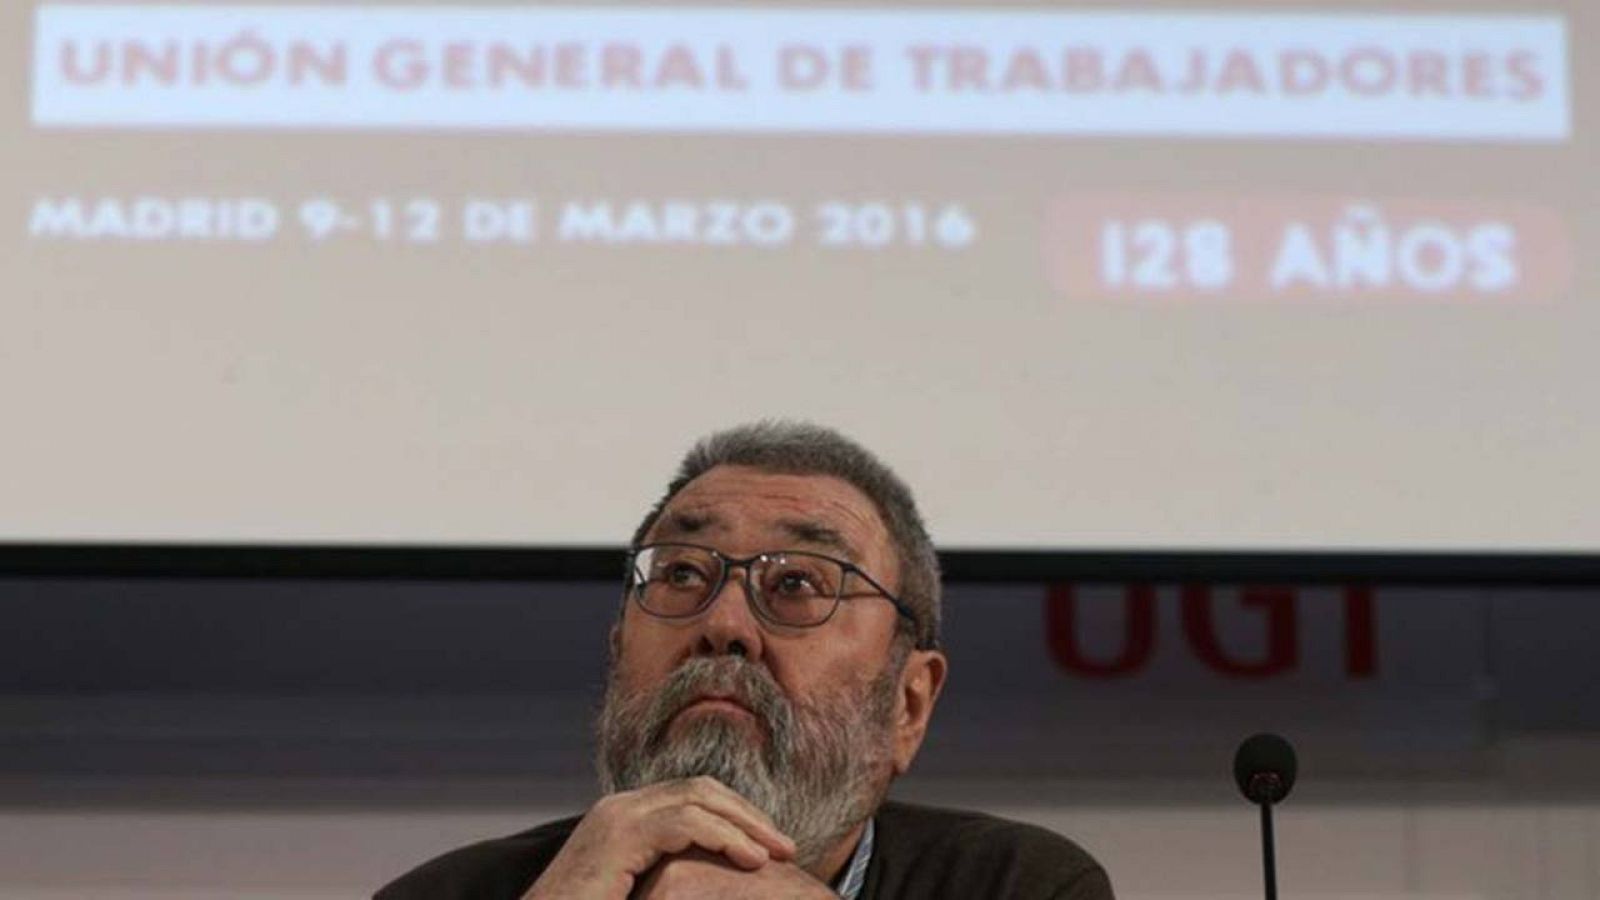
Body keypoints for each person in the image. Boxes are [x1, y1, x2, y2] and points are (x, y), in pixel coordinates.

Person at [375, 421, 1114, 899]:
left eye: (797, 585)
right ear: (615, 659)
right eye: (683, 576)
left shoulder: (1017, 887)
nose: (723, 625)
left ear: (908, 704)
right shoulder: (454, 896)